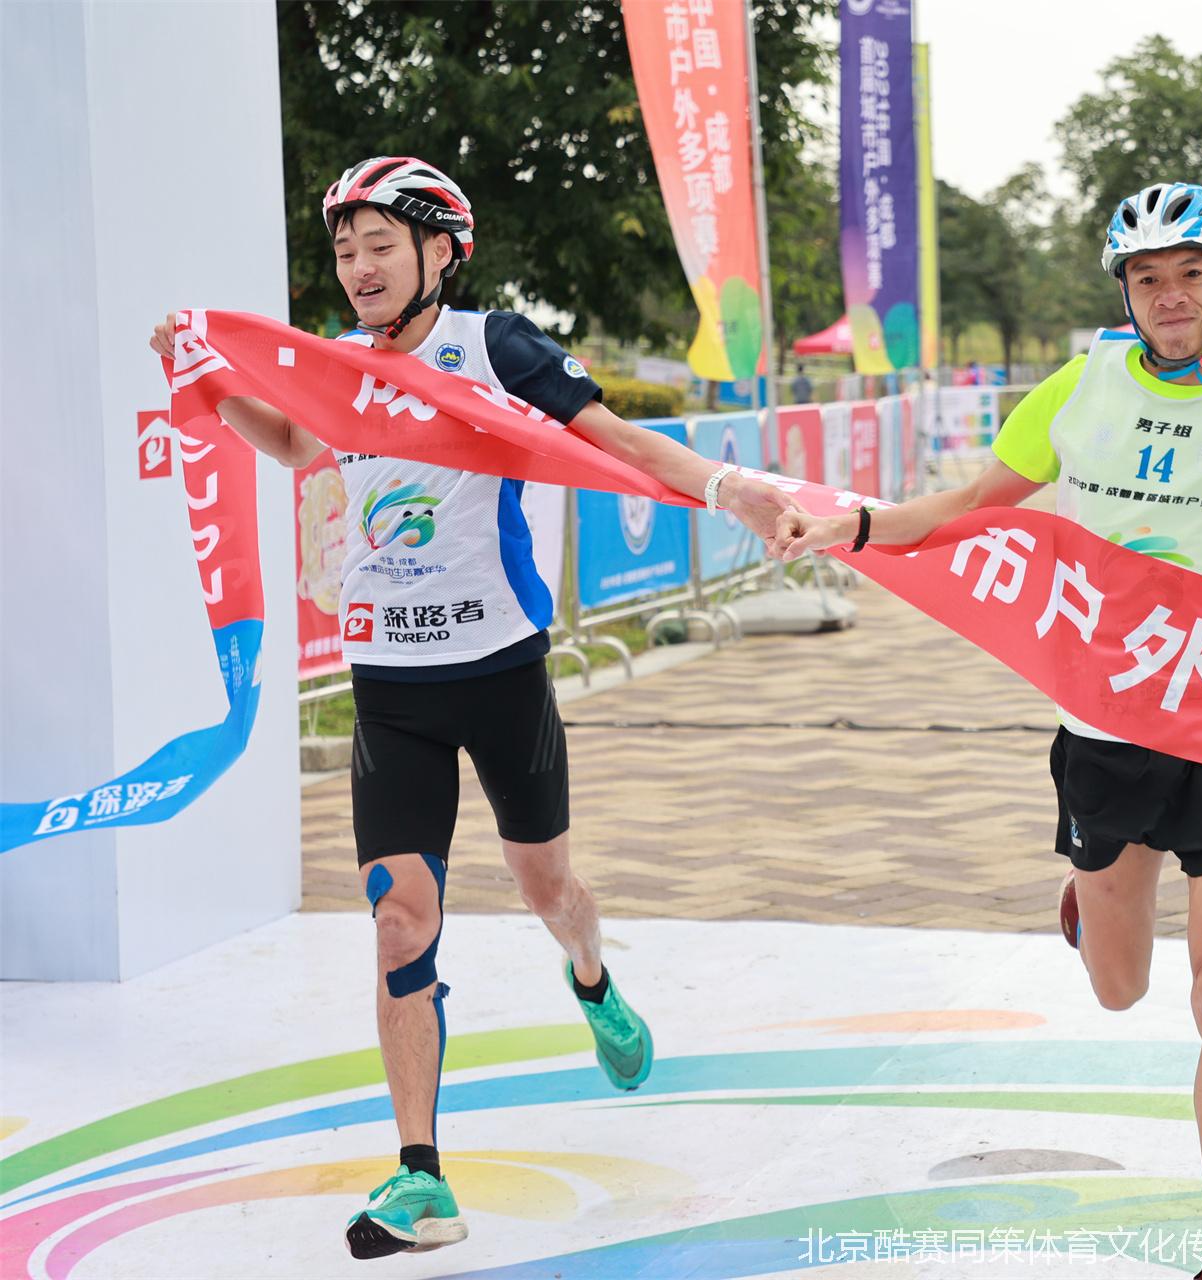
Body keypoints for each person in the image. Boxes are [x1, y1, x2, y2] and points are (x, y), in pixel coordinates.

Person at [151, 156, 791, 1261]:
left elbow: (614, 439)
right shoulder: (340, 364)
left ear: (440, 251)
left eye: (379, 246)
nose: (358, 268)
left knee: (549, 888)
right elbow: (300, 446)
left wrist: (732, 490)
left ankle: (591, 975)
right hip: (388, 683)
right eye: (344, 251)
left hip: (500, 671)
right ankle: (421, 1177)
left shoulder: (494, 347)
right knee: (400, 918)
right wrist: (201, 378)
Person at [772, 182, 1202, 1280]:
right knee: (1119, 986)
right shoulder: (1083, 384)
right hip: (1106, 715)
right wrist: (852, 526)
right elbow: (972, 507)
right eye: (1148, 278)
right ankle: (1093, 899)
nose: (1171, 296)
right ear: (1125, 292)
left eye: (1191, 274)